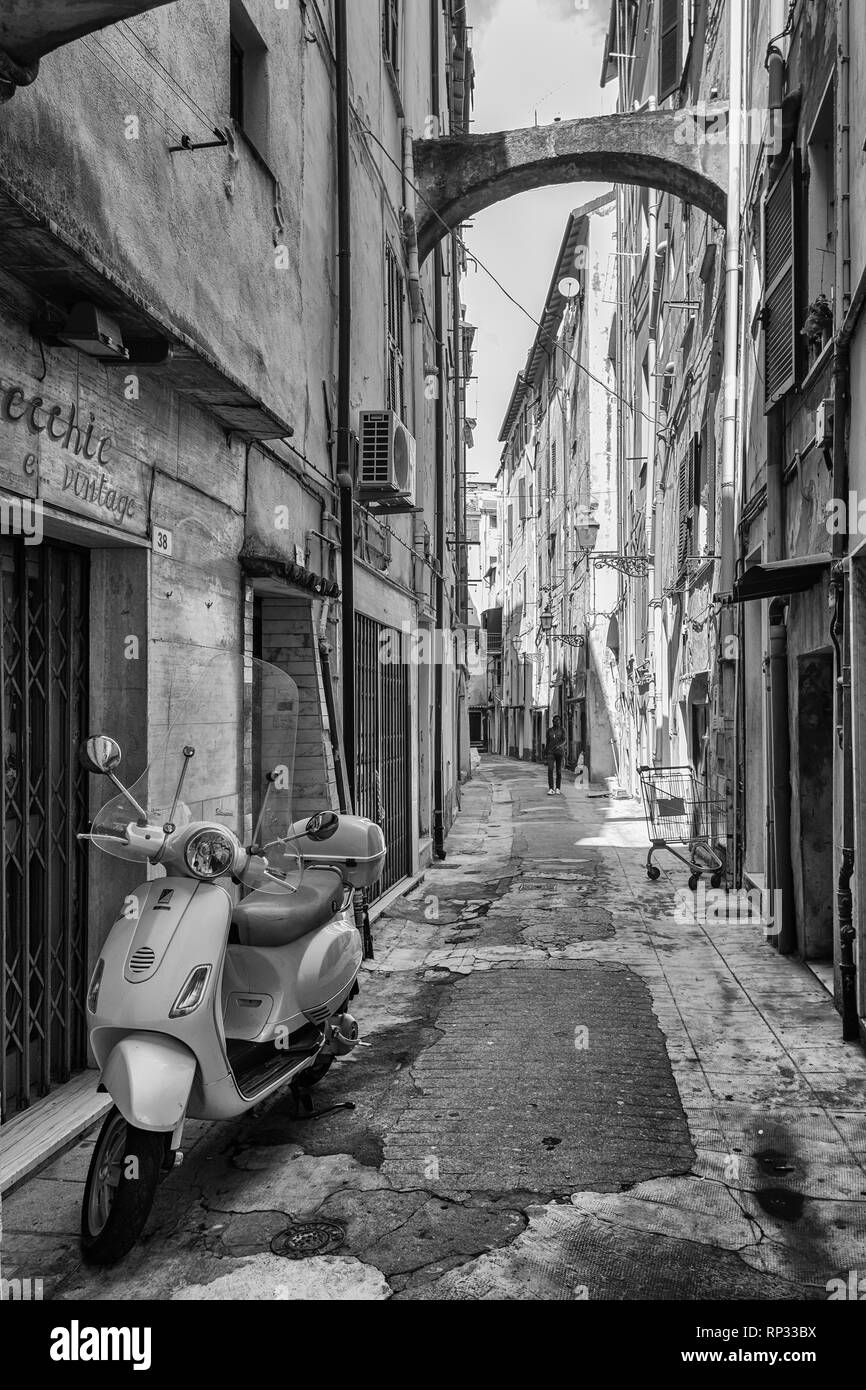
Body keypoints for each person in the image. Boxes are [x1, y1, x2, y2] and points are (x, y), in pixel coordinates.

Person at [545, 716, 567, 795]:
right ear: (552, 721)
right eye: (555, 720)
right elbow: (547, 741)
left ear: (560, 721)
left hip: (559, 753)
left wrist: (559, 746)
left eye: (558, 720)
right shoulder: (549, 731)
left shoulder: (562, 730)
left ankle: (558, 788)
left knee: (558, 771)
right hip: (551, 752)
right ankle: (551, 788)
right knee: (550, 769)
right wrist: (545, 753)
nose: (556, 722)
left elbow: (564, 740)